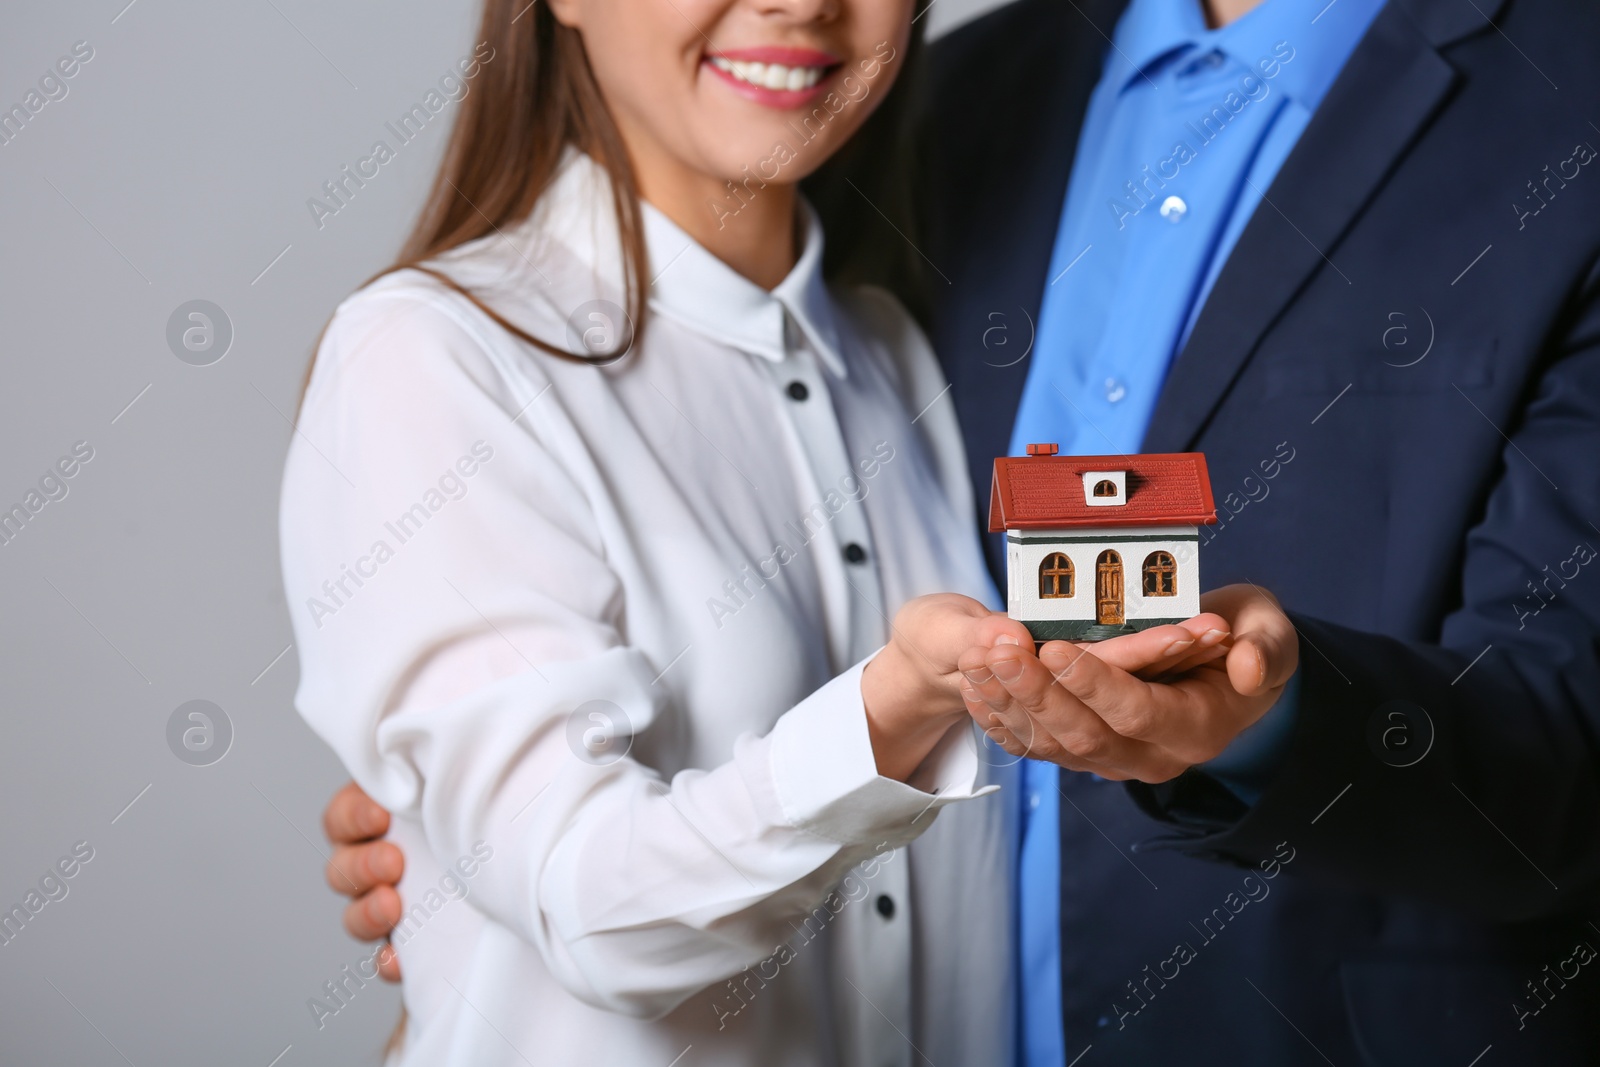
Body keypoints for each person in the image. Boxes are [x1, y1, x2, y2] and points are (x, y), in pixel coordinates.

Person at [333, 0, 1600, 1062]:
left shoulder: (1567, 100)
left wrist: (1274, 718)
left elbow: (1567, 747)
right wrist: (475, 779)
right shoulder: (944, 104)